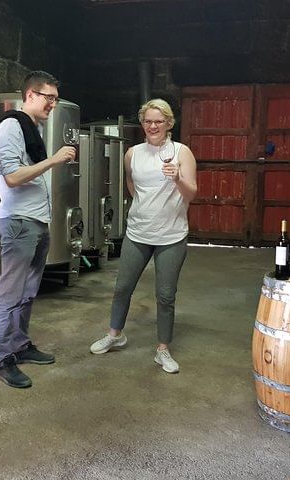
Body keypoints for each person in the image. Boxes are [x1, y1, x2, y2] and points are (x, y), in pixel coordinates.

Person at [90, 98, 197, 373]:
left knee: (165, 295)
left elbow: (191, 193)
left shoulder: (182, 152)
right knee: (122, 288)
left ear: (169, 123)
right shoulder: (132, 153)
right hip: (138, 232)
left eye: (159, 121)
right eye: (148, 121)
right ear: (142, 123)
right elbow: (131, 184)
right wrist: (147, 208)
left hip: (171, 235)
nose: (153, 126)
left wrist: (177, 179)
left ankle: (163, 349)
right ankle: (115, 335)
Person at [0, 70, 76, 388]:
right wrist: (53, 160)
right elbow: (13, 176)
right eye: (48, 98)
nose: (53, 104)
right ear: (30, 95)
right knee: (10, 293)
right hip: (19, 222)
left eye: (56, 99)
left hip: (37, 221)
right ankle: (5, 359)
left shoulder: (31, 128)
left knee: (27, 291)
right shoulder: (11, 127)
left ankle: (20, 344)